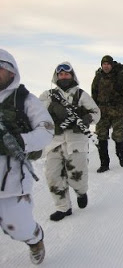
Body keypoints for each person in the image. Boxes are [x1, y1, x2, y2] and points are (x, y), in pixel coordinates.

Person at [0, 49, 54, 264]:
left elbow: (47, 131)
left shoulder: (25, 100)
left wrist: (20, 142)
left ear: (11, 72)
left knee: (16, 226)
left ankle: (34, 238)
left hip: (12, 178)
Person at [40, 62, 100, 222]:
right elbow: (38, 114)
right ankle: (63, 207)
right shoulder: (48, 95)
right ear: (57, 76)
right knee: (52, 175)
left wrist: (86, 118)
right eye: (61, 74)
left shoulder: (81, 95)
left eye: (67, 74)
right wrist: (52, 109)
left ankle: (81, 192)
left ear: (72, 75)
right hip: (55, 141)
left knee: (76, 175)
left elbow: (96, 113)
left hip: (76, 140)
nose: (64, 76)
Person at [91, 55, 123, 173]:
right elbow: (94, 93)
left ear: (112, 65)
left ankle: (120, 155)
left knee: (118, 135)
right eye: (103, 64)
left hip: (117, 111)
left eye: (108, 64)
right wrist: (93, 109)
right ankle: (104, 164)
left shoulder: (120, 77)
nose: (105, 66)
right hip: (102, 112)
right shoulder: (98, 77)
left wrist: (121, 95)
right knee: (101, 136)